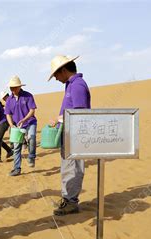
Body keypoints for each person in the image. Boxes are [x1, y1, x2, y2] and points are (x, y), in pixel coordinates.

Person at [48, 55, 91, 215]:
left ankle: (71, 202)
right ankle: (68, 199)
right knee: (68, 167)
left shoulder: (78, 85)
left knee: (74, 168)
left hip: (76, 135)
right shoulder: (70, 85)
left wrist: (58, 119)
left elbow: (78, 113)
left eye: (56, 75)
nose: (56, 79)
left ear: (63, 70)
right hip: (69, 133)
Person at [5, 76, 38, 176]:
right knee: (16, 147)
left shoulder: (28, 96)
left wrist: (24, 119)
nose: (13, 90)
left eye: (15, 87)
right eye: (11, 88)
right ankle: (16, 168)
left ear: (19, 86)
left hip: (30, 122)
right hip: (18, 127)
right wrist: (11, 125)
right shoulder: (9, 100)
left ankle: (31, 156)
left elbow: (32, 110)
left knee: (31, 138)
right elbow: (8, 114)